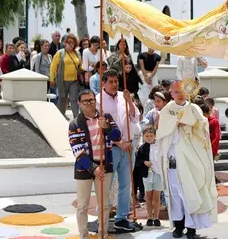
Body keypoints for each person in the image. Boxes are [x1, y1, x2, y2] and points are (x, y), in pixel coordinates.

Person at [156, 81, 218, 239]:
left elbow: (203, 126)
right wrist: (176, 123)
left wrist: (192, 123)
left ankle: (191, 228)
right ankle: (178, 225)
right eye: (176, 91)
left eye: (182, 90)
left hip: (191, 157)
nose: (180, 94)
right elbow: (163, 130)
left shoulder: (194, 107)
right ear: (171, 94)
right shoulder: (167, 110)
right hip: (173, 158)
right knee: (176, 194)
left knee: (190, 192)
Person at [68, 89, 126, 239]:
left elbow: (118, 136)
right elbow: (78, 152)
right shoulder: (75, 124)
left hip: (105, 165)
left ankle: (103, 235)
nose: (89, 103)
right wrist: (93, 168)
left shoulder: (105, 118)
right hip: (84, 168)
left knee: (104, 205)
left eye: (92, 100)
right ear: (79, 104)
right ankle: (84, 236)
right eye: (85, 101)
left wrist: (106, 128)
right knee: (82, 206)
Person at [97, 69, 140, 231]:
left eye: (117, 81)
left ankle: (121, 218)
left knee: (126, 184)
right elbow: (100, 127)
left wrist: (129, 101)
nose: (115, 84)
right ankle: (102, 216)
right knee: (106, 184)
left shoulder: (125, 96)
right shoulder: (98, 100)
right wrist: (119, 142)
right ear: (104, 83)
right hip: (110, 148)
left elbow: (136, 118)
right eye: (111, 82)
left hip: (128, 146)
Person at [50, 33, 84, 119]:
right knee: (62, 99)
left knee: (74, 99)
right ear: (65, 43)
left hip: (74, 80)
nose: (70, 44)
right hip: (62, 81)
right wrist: (52, 79)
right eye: (68, 42)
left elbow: (80, 66)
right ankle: (60, 117)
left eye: (72, 42)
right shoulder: (60, 53)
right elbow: (53, 67)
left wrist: (87, 69)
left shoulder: (77, 53)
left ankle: (77, 119)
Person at [136, 125, 163, 227]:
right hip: (147, 174)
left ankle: (156, 217)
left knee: (156, 196)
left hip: (157, 174)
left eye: (151, 135)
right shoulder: (142, 148)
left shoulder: (159, 146)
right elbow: (137, 161)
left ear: (155, 136)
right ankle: (149, 217)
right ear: (143, 136)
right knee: (148, 196)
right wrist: (144, 162)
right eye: (147, 136)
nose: (149, 137)